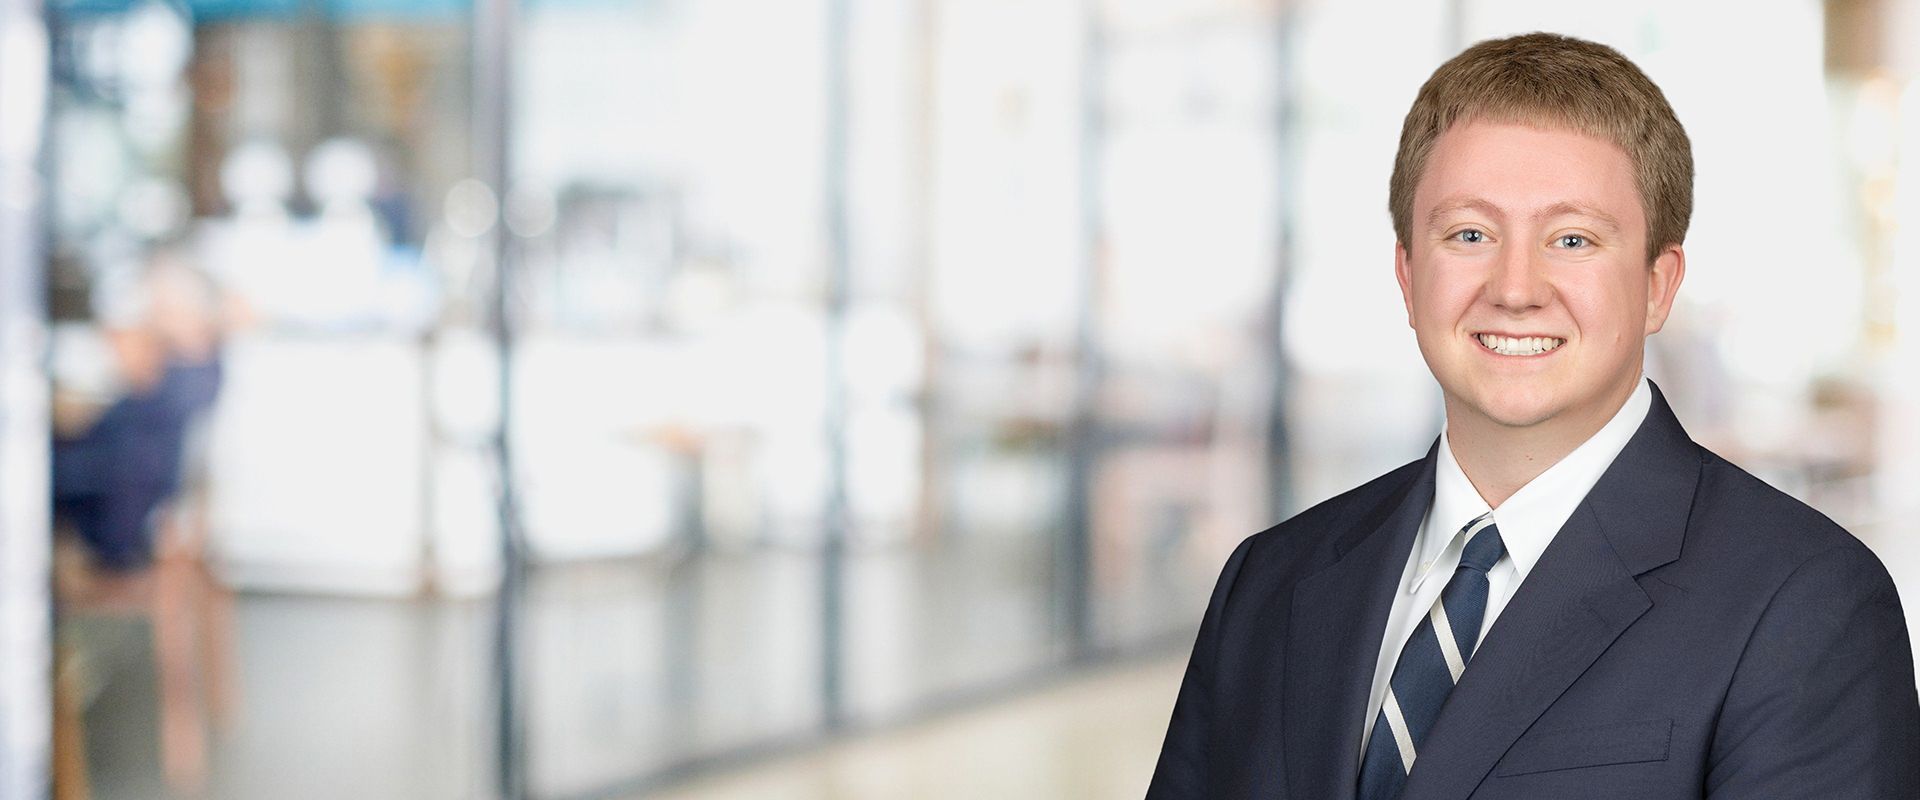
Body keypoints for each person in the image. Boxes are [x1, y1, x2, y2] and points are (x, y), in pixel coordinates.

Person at [1147, 32, 1920, 799]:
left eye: (1573, 239)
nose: (1516, 288)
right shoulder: (1270, 579)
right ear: (1408, 276)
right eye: (1470, 234)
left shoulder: (1807, 604)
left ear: (1658, 284)